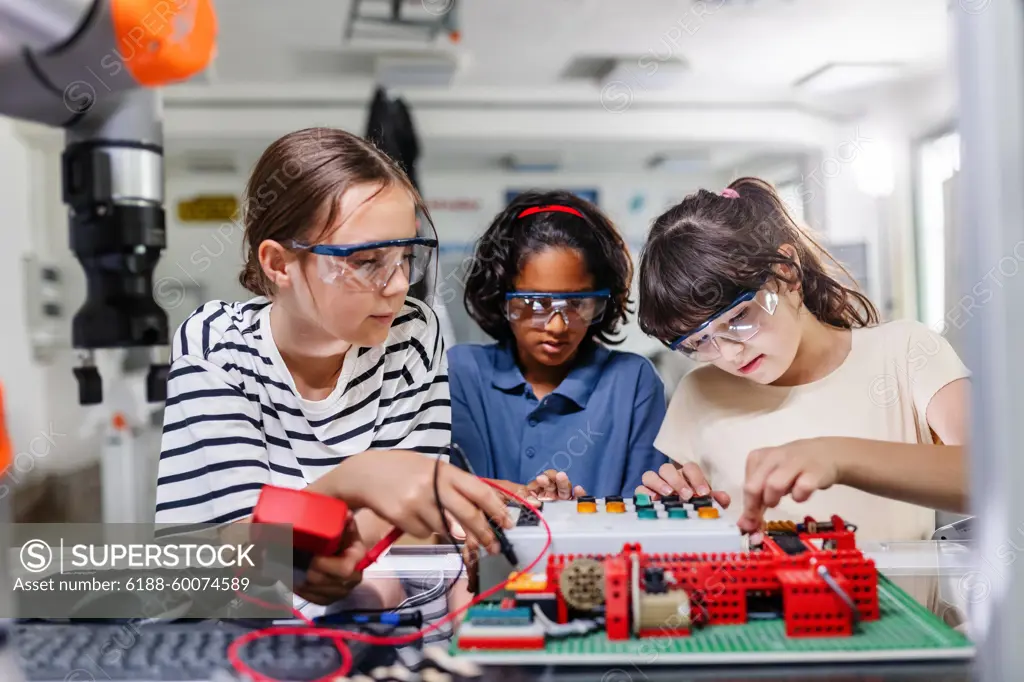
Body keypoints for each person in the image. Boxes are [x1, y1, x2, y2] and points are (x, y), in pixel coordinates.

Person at [154, 128, 510, 637]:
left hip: (380, 634)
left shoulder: (412, 332)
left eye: (406, 257)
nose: (398, 285)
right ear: (279, 263)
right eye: (365, 262)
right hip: (240, 642)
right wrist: (353, 480)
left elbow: (408, 523)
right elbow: (247, 557)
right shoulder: (218, 345)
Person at [634, 177, 969, 543]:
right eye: (699, 341)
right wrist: (674, 514)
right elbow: (694, 537)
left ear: (787, 270)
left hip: (900, 603)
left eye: (739, 317)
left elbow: (1000, 476)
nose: (728, 353)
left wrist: (837, 455)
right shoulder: (698, 392)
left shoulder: (905, 351)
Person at [448, 190, 669, 501]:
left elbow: (646, 513)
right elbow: (442, 495)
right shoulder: (461, 372)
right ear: (500, 296)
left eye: (577, 303)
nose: (556, 326)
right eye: (536, 303)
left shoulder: (632, 382)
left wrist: (577, 522)